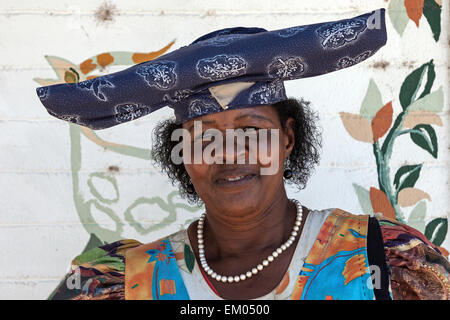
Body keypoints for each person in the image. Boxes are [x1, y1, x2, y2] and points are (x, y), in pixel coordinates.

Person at [36, 8, 449, 300]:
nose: (229, 154)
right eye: (203, 136)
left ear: (287, 138)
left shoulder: (379, 257)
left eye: (250, 130)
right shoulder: (126, 282)